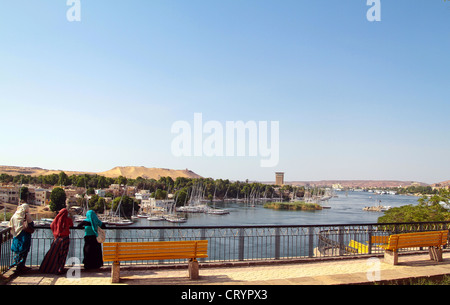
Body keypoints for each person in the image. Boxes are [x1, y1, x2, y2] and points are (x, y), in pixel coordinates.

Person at [39, 208, 73, 274]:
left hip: (57, 239)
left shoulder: (56, 219)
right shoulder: (67, 219)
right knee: (63, 254)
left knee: (54, 254)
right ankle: (60, 268)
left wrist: (55, 233)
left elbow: (52, 225)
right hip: (65, 239)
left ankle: (50, 268)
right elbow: (71, 224)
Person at [9, 203, 34, 272]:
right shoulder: (26, 215)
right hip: (24, 234)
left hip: (16, 235)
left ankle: (16, 264)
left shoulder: (15, 215)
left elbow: (11, 225)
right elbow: (31, 223)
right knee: (24, 250)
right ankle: (21, 266)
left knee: (18, 250)